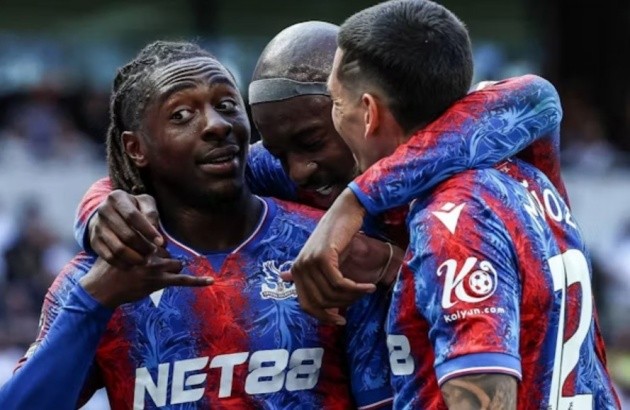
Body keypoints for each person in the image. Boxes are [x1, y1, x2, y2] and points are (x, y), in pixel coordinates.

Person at [0, 41, 395, 409]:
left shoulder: (328, 245)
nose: (217, 124)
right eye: (182, 115)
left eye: (227, 104)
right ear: (136, 148)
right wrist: (95, 301)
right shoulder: (100, 279)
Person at [290, 1, 621, 408]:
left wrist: (354, 200)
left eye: (336, 102)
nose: (334, 117)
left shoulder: (454, 214)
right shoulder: (525, 172)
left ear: (370, 112)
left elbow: (486, 393)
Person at [74, 21, 564, 287]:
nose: (297, 172)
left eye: (310, 142)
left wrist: (357, 202)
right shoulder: (288, 168)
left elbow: (538, 97)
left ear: (360, 108)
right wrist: (100, 211)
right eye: (279, 151)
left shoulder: (478, 149)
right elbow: (160, 181)